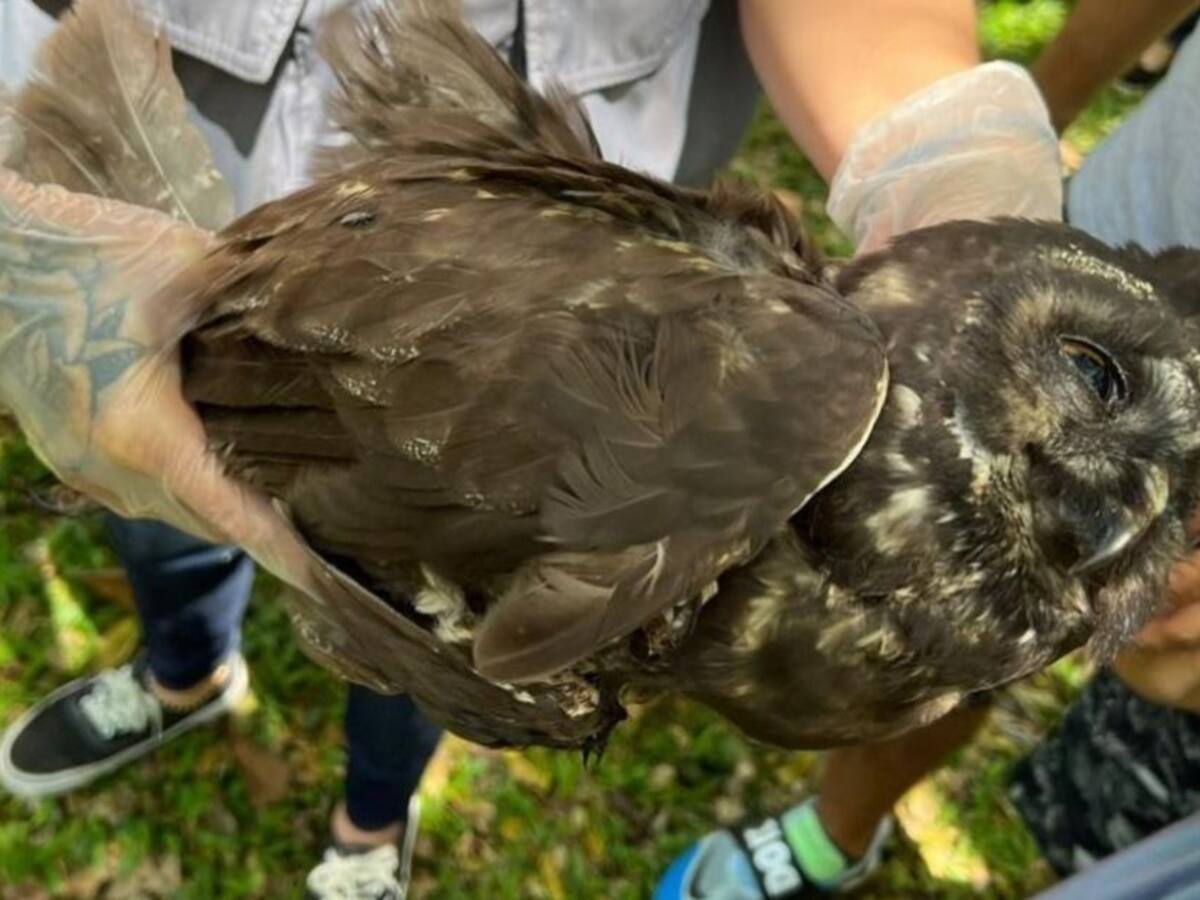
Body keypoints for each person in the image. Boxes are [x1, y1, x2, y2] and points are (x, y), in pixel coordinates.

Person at [0, 0, 1065, 896]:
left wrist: (931, 141)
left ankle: (372, 819)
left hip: (559, 252)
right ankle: (183, 672)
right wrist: (23, 246)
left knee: (469, 610)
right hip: (188, 111)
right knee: (158, 468)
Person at [655, 3, 1200, 898]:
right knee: (937, 621)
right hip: (1122, 241)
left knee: (1001, 655)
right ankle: (833, 833)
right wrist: (1005, 129)